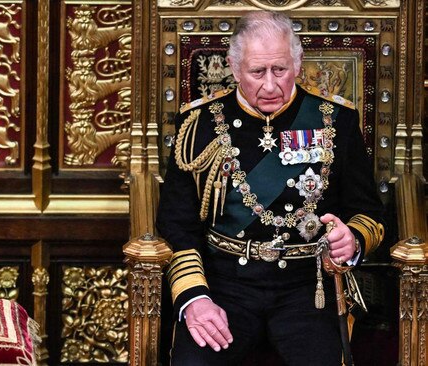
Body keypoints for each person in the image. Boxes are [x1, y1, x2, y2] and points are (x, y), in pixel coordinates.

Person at [156, 10, 386, 365]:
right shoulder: (198, 124)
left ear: (297, 64)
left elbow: (368, 212)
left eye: (279, 70)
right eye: (256, 72)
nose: (269, 85)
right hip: (224, 284)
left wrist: (352, 239)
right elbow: (176, 222)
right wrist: (195, 297)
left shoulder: (337, 120)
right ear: (234, 67)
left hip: (309, 287)